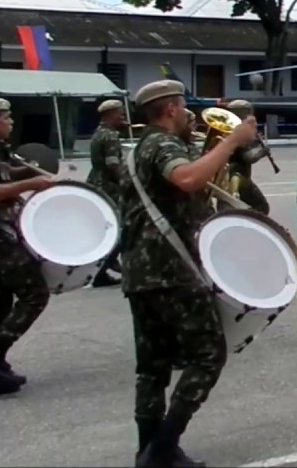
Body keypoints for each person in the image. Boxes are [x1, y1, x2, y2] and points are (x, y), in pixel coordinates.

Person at [119, 79, 258, 467]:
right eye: (184, 108)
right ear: (170, 110)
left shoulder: (142, 146)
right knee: (208, 355)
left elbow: (185, 190)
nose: (189, 116)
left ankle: (149, 448)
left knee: (153, 366)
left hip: (141, 271)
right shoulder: (162, 144)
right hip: (170, 269)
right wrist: (231, 141)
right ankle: (162, 448)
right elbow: (187, 179)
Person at [0, 97, 53, 395]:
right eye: (7, 118)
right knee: (35, 293)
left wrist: (30, 173)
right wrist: (27, 186)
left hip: (0, 231)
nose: (11, 123)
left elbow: (3, 173)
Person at [88, 98, 129, 287]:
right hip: (110, 187)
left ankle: (104, 268)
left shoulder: (99, 133)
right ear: (110, 114)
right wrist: (127, 183)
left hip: (96, 182)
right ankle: (103, 268)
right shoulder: (110, 136)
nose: (122, 116)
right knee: (120, 229)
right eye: (119, 113)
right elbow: (113, 165)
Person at [223, 100, 271, 215]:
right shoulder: (239, 133)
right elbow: (248, 157)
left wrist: (254, 141)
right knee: (261, 206)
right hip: (240, 178)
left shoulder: (228, 129)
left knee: (234, 207)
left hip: (229, 177)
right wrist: (263, 152)